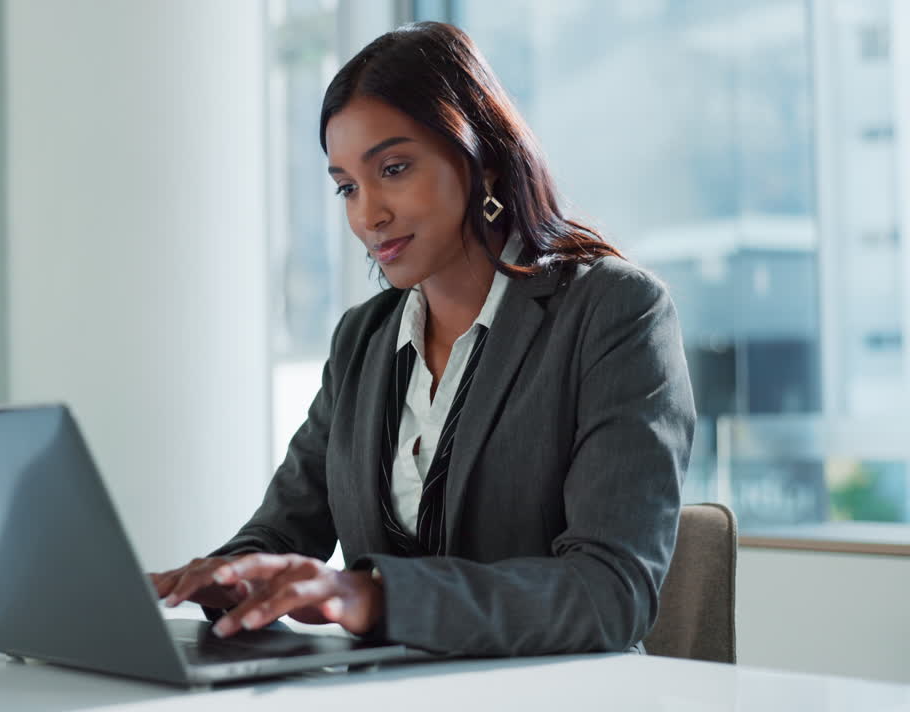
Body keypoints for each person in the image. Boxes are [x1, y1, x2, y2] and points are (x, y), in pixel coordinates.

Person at [149, 21, 696, 657]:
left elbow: (610, 592)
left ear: (484, 160)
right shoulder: (364, 338)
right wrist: (224, 578)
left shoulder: (615, 313)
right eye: (347, 186)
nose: (366, 214)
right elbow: (283, 530)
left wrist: (377, 597)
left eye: (395, 168)